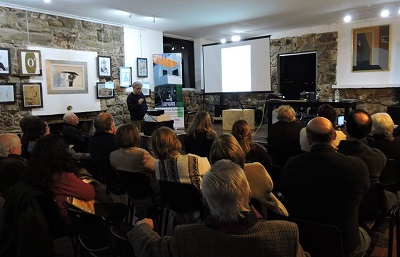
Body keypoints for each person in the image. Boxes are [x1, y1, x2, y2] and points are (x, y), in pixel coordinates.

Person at [128, 159, 310, 257]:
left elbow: (149, 248)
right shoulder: (285, 234)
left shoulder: (186, 236)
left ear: (205, 201)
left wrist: (143, 225)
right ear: (248, 195)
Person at [282, 117, 371, 257]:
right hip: (345, 243)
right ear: (334, 136)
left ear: (309, 140)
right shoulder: (356, 166)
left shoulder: (291, 165)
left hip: (303, 240)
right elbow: (365, 191)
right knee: (366, 234)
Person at [338, 109, 399, 247]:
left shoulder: (338, 155)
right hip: (372, 205)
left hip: (345, 206)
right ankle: (375, 231)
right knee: (393, 199)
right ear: (369, 130)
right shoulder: (378, 156)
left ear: (346, 128)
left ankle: (366, 232)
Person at [209, 134, 287, 218]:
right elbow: (270, 186)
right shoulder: (257, 169)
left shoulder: (211, 183)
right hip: (271, 218)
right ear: (239, 152)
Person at [26, 134, 95, 224]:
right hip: (68, 217)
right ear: (61, 152)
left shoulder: (34, 172)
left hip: (47, 218)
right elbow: (90, 193)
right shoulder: (61, 176)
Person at [89, 113, 121, 193]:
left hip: (102, 179)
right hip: (117, 180)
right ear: (111, 126)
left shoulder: (92, 141)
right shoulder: (116, 141)